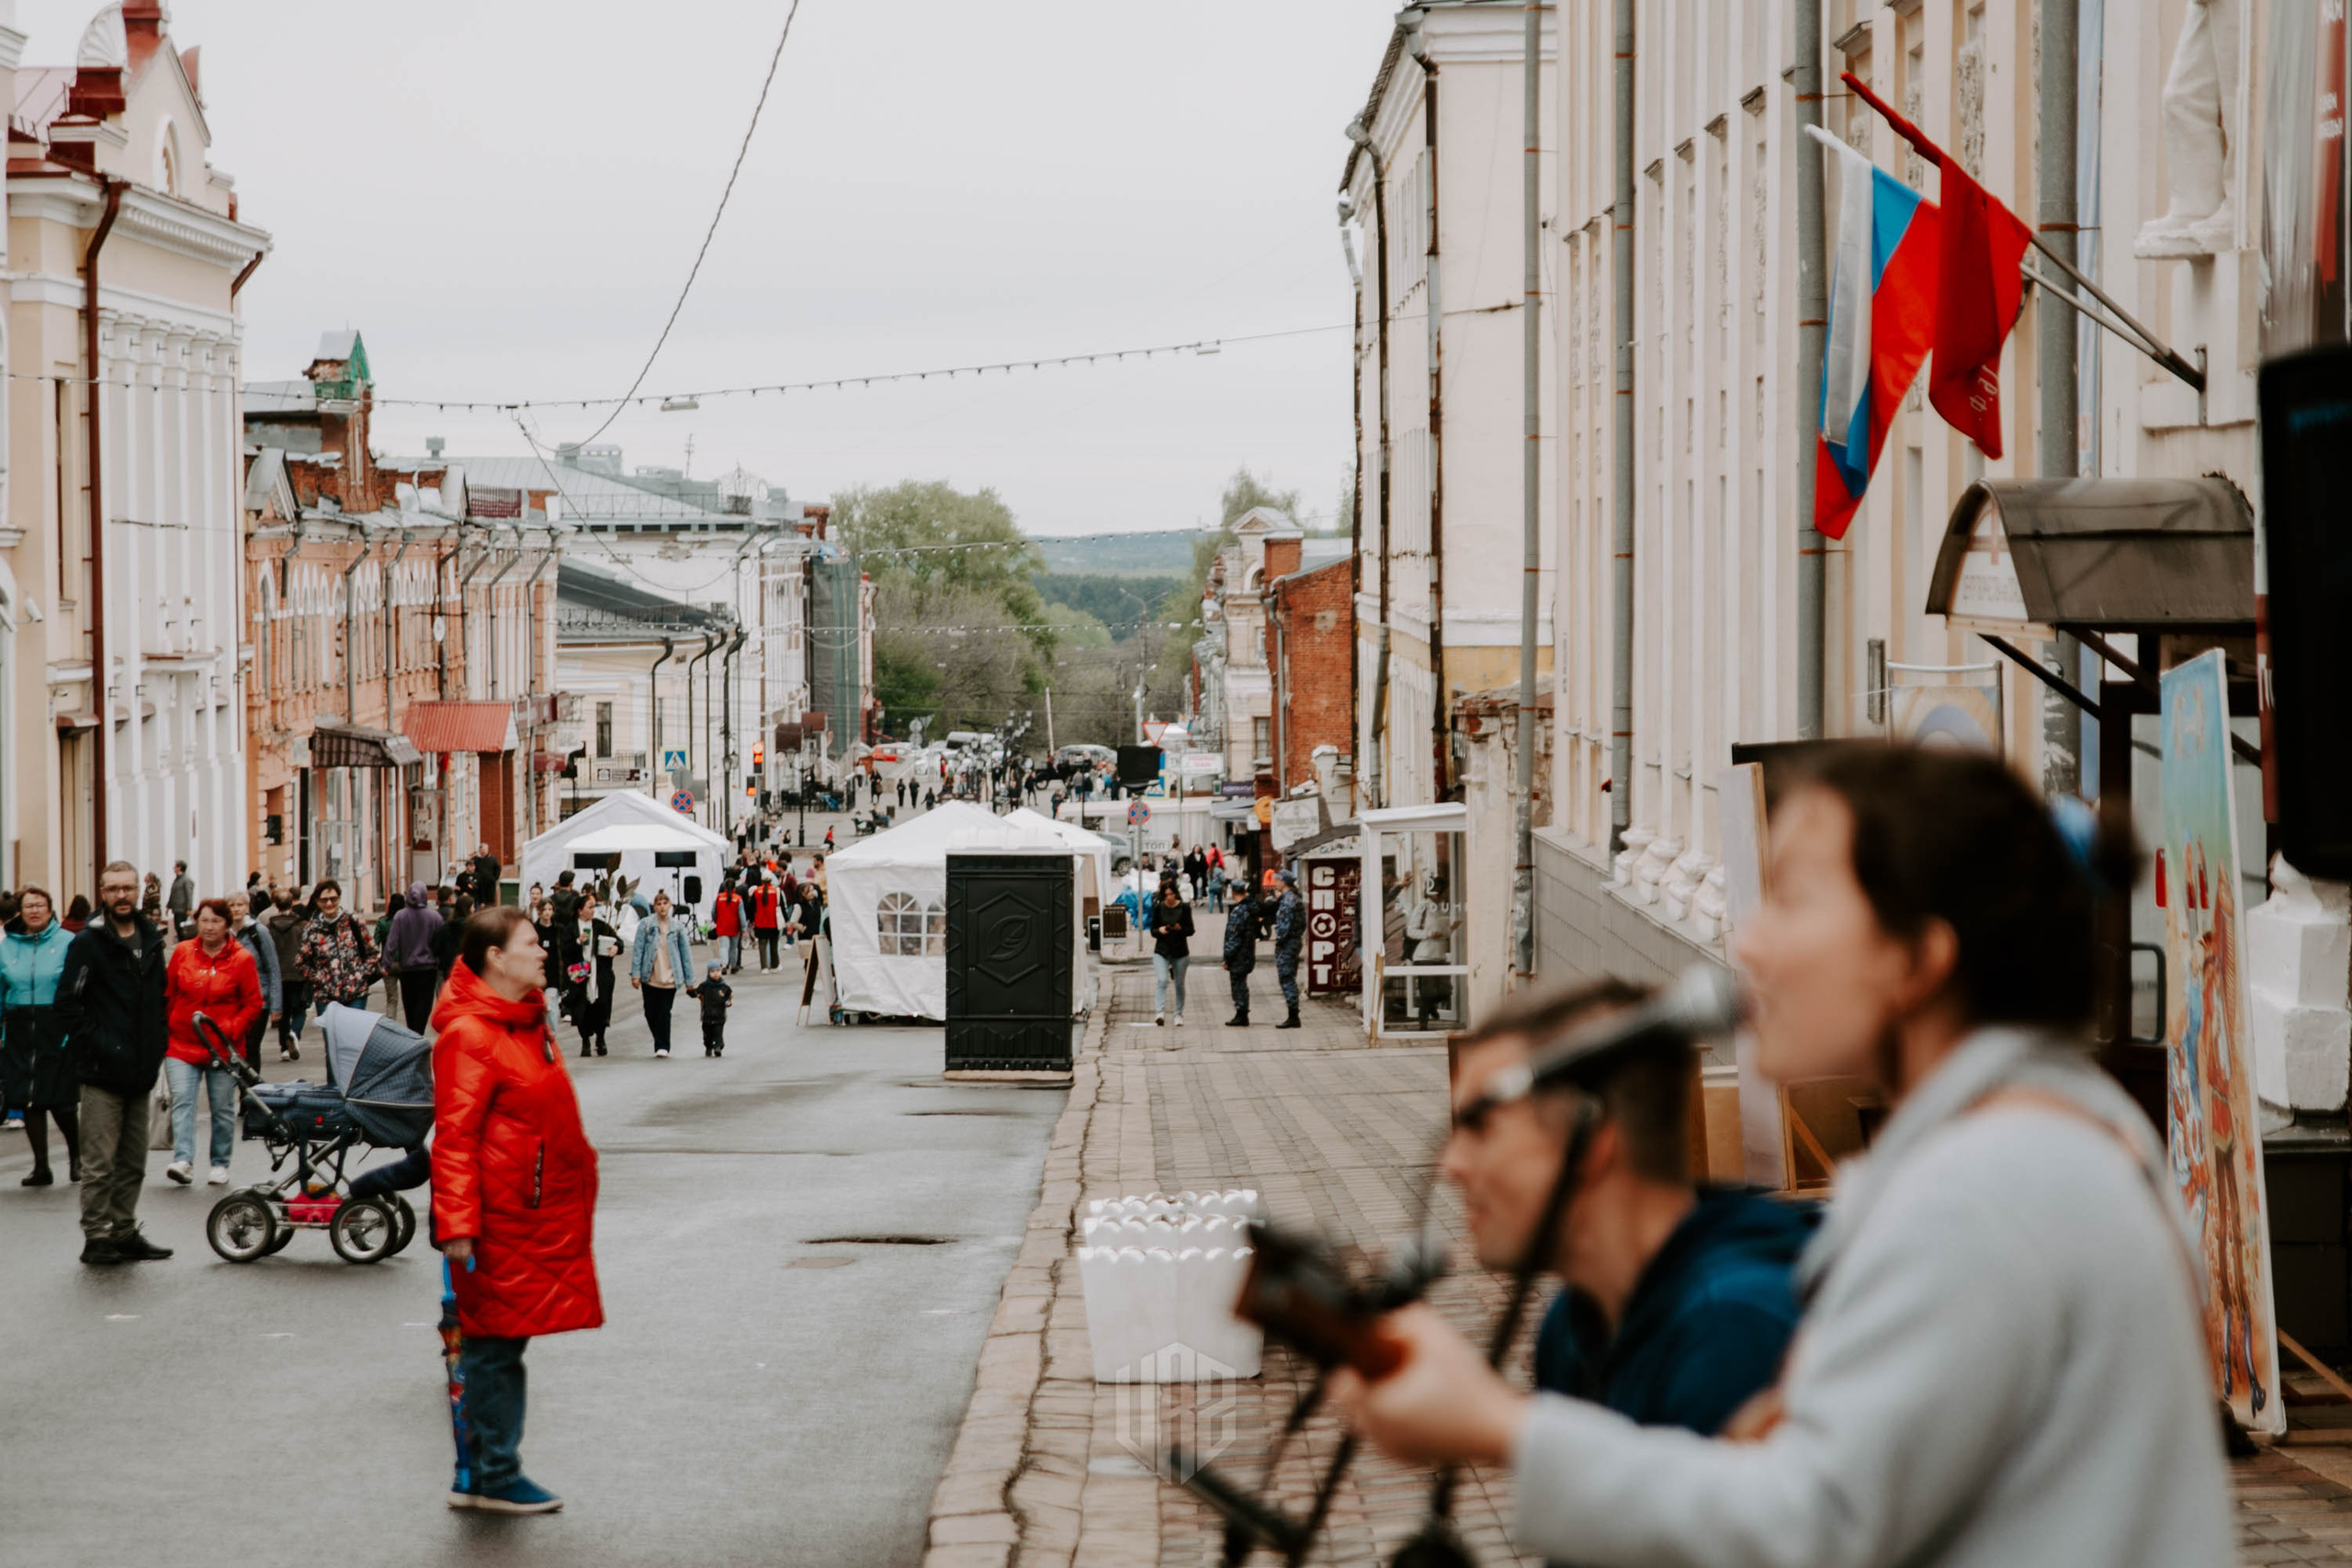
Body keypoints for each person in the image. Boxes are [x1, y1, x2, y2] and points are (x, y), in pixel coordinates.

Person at [1332, 745, 2233, 1568]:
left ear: (1917, 958)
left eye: (1794, 899)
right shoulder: (2048, 1136)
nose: (1747, 942)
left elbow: (1812, 1529)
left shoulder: (1982, 1188)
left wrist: (1501, 1427)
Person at [1447, 978, 1814, 1436]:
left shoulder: (1731, 1331)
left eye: (1481, 1129)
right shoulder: (1571, 1324)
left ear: (1590, 1142)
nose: (1451, 1165)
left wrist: (1487, 1425)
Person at [432, 906, 603, 1514]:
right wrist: (457, 1227)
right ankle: (494, 1473)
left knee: (501, 1343)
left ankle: (478, 1472)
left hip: (528, 1212)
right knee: (493, 1346)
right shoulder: (471, 1035)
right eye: (530, 943)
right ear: (495, 957)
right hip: (495, 1219)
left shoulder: (527, 1022)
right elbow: (453, 1137)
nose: (543, 951)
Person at [58, 860, 173, 1264]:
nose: (121, 896)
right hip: (102, 1070)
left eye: (128, 888)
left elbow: (161, 1000)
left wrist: (158, 1044)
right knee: (100, 1162)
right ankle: (97, 1236)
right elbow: (68, 1006)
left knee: (133, 1161)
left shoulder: (150, 938)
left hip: (141, 1069)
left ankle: (124, 1231)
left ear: (138, 889)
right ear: (102, 893)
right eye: (113, 889)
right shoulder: (88, 943)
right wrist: (102, 1045)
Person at [162, 898, 263, 1187]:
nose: (208, 927)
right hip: (182, 1043)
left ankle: (220, 1163)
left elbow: (253, 1004)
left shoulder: (242, 959)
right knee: (183, 1100)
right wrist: (168, 1027)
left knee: (222, 1108)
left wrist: (230, 1028)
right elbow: (168, 994)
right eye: (204, 920)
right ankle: (183, 1159)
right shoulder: (183, 952)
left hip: (222, 1046)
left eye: (216, 921)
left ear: (227, 925)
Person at [2, 887, 81, 1185]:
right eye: (29, 906)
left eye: (40, 905)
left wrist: (75, 1026)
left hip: (55, 1023)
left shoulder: (68, 942)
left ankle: (76, 1158)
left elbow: (78, 987)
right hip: (20, 1024)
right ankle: (41, 1167)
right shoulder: (6, 946)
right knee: (28, 1098)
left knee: (61, 1100)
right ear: (20, 911)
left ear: (50, 909)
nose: (35, 911)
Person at [297, 879, 379, 1018]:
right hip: (326, 997)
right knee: (332, 1038)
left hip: (356, 994)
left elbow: (373, 952)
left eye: (333, 899)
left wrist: (361, 974)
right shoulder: (312, 929)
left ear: (339, 899)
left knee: (353, 1037)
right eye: (324, 900)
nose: (329, 903)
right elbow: (301, 962)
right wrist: (319, 978)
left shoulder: (354, 922)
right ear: (317, 902)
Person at [630, 890, 693, 1059]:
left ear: (670, 905)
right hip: (650, 976)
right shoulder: (646, 925)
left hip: (670, 978)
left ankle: (662, 1045)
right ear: (655, 907)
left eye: (665, 903)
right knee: (650, 1012)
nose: (662, 907)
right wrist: (635, 974)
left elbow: (685, 955)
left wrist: (689, 980)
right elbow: (638, 950)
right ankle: (659, 1038)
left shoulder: (678, 927)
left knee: (664, 1012)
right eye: (658, 904)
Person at [559, 890, 620, 1058]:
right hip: (579, 973)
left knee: (601, 1006)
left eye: (594, 907)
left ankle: (601, 1038)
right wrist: (578, 942)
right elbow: (565, 951)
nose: (593, 910)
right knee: (581, 1008)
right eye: (590, 907)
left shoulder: (601, 926)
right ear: (580, 910)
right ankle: (585, 1040)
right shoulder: (570, 928)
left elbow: (618, 942)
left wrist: (616, 948)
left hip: (598, 972)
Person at [225, 891, 283, 1068]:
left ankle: (250, 1092)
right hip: (231, 1001)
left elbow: (273, 968)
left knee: (251, 1046)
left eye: (240, 904)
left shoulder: (258, 932)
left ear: (247, 907)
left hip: (259, 1000)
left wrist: (276, 1006)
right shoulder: (223, 934)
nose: (236, 909)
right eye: (232, 905)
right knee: (233, 1048)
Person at [385, 882, 445, 1034]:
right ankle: (418, 1033)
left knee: (409, 1005)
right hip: (428, 969)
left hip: (408, 969)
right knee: (424, 1005)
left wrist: (386, 964)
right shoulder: (434, 917)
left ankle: (413, 1032)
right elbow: (441, 943)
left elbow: (391, 942)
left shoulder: (400, 916)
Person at [266, 887, 311, 1060]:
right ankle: (294, 1033)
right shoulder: (301, 926)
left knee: (283, 1013)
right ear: (292, 904)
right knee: (300, 1009)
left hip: (278, 976)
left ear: (276, 905)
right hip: (298, 974)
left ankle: (284, 1049)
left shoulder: (269, 927)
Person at [1149, 877, 1194, 1028]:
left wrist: (1179, 928)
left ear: (1175, 893)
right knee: (1162, 980)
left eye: (1171, 894)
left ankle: (1178, 1014)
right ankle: (1160, 1013)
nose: (1169, 897)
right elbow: (1153, 930)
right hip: (1162, 950)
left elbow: (1191, 930)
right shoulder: (1159, 908)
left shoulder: (1184, 908)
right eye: (1166, 894)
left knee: (1179, 984)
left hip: (1180, 951)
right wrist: (1160, 930)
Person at [1220, 880, 1258, 1028]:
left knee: (1238, 984)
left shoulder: (1239, 911)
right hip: (1248, 951)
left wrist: (1227, 957)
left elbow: (1234, 937)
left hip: (1239, 955)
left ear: (1233, 892)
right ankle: (1242, 1012)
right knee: (1241, 983)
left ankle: (1241, 1013)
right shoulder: (1250, 907)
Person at [1270, 869, 1305, 1030]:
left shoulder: (1288, 900)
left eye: (1278, 880)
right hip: (1294, 941)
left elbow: (1285, 924)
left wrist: (1280, 940)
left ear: (1284, 882)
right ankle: (1293, 1014)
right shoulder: (1294, 898)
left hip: (1288, 944)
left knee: (1286, 977)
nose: (1275, 883)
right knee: (1288, 976)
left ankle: (1293, 1015)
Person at [687, 963, 733, 1057]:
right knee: (707, 1034)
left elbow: (729, 997)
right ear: (708, 973)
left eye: (718, 971)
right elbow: (696, 993)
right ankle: (708, 1047)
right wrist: (690, 991)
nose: (715, 973)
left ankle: (718, 1047)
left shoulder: (724, 988)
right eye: (712, 971)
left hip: (719, 1016)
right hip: (707, 1016)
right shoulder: (704, 986)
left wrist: (728, 1002)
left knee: (718, 1033)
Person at [431, 894, 474, 985]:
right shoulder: (473, 928)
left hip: (448, 968)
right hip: (468, 969)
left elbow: (436, 948)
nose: (474, 909)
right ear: (469, 909)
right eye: (473, 907)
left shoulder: (445, 928)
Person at [751, 874, 783, 973]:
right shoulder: (776, 891)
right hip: (773, 922)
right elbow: (781, 906)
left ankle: (764, 966)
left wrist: (752, 920)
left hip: (760, 923)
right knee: (774, 945)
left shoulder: (756, 892)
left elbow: (752, 907)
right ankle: (775, 965)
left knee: (762, 945)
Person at [712, 876, 745, 975]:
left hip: (722, 925)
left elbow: (713, 911)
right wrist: (744, 928)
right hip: (734, 926)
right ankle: (734, 966)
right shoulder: (738, 899)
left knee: (723, 947)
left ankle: (724, 965)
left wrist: (715, 920)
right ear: (735, 888)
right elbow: (742, 915)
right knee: (733, 947)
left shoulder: (719, 897)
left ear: (725, 887)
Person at [166, 859, 195, 939]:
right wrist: (168, 906)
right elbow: (172, 894)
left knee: (182, 929)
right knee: (177, 928)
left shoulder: (186, 880)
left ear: (179, 868)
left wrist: (189, 908)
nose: (174, 868)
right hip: (176, 909)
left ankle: (184, 945)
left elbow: (189, 895)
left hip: (182, 909)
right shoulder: (176, 880)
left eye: (175, 866)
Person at [467, 843, 503, 907]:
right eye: (483, 850)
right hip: (479, 883)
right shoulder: (475, 859)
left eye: (485, 849)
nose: (484, 851)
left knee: (490, 901)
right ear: (480, 850)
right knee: (480, 899)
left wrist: (495, 878)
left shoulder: (492, 858)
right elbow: (471, 869)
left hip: (490, 883)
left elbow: (498, 868)